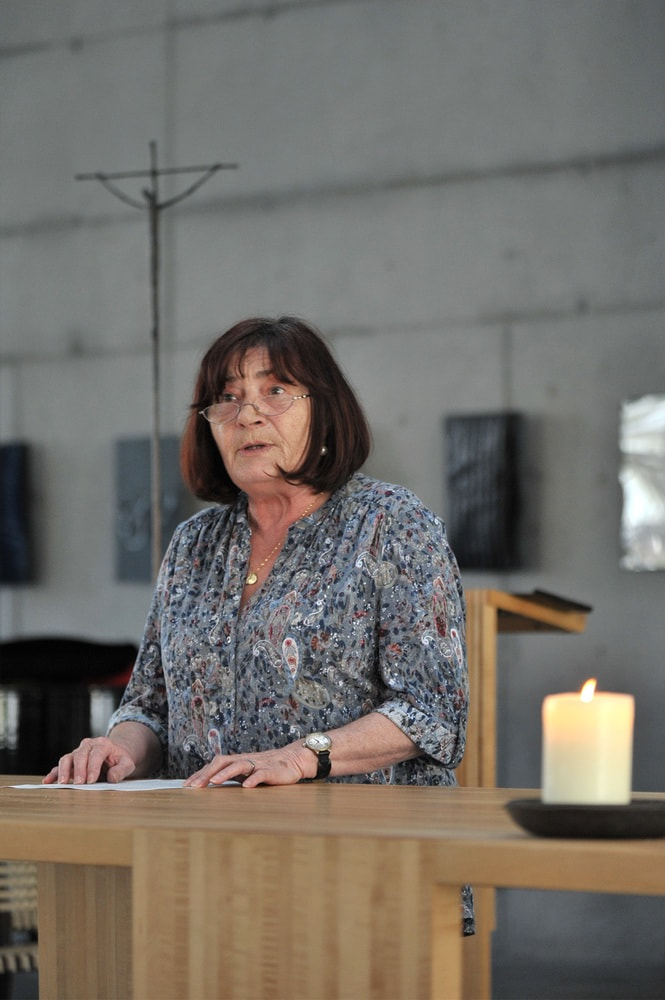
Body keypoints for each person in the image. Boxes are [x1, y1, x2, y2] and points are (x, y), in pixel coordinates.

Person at [44, 315, 473, 930]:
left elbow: (431, 712)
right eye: (228, 397)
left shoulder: (393, 524)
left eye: (275, 390)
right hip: (206, 873)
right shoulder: (193, 543)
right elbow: (150, 705)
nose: (247, 414)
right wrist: (118, 750)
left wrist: (301, 757)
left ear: (324, 411)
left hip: (364, 876)